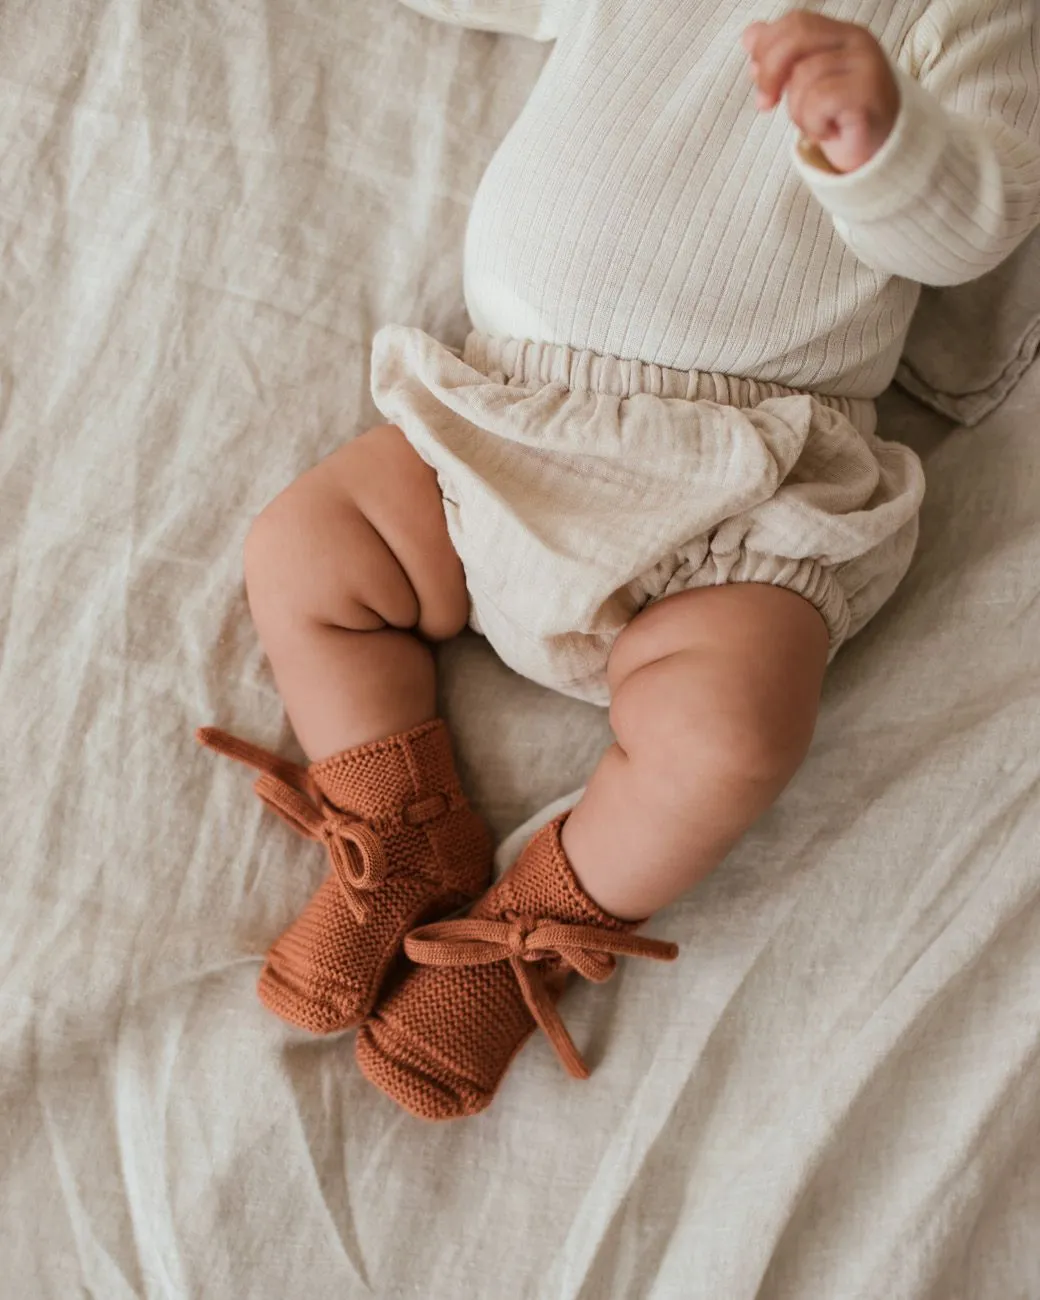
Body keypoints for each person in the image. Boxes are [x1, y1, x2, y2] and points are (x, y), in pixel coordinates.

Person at [200, 3, 1040, 1120]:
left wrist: (878, 139)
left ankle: (527, 930)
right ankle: (397, 825)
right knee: (305, 547)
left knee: (729, 732)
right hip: (499, 419)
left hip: (743, 479)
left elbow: (974, 217)